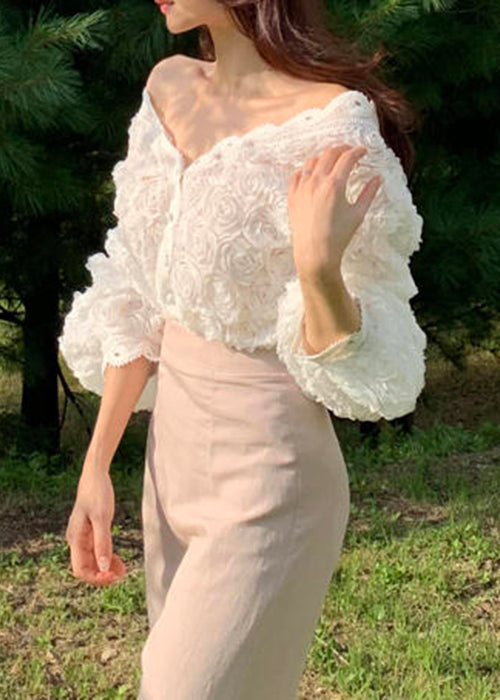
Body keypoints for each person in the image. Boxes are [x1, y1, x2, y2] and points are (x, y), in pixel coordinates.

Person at [60, 0, 427, 697]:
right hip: (169, 473)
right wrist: (97, 465)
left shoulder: (332, 122)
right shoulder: (168, 86)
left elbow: (370, 356)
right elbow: (138, 290)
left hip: (271, 481)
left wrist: (318, 270)